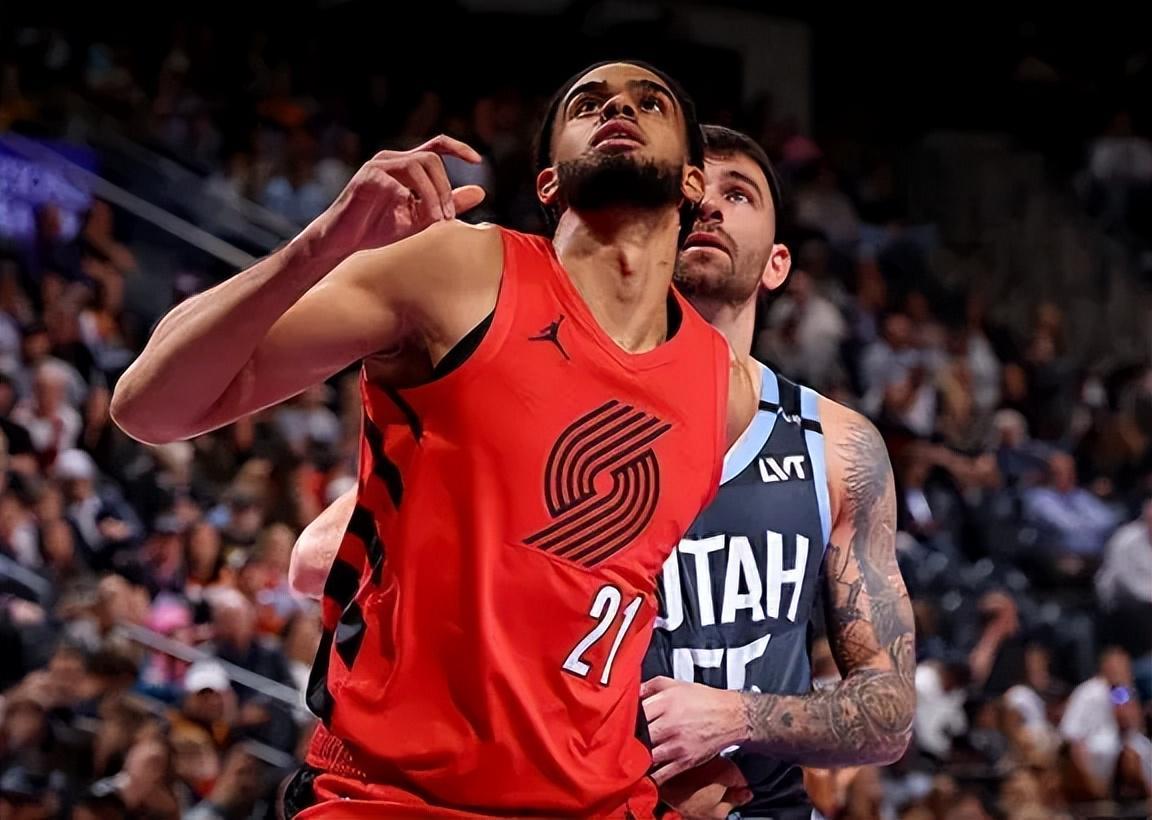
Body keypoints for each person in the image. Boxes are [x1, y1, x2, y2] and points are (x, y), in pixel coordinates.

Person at [112, 60, 758, 817]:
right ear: (548, 181)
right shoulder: (463, 269)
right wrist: (327, 241)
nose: (618, 107)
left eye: (650, 103)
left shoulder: (725, 391)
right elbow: (150, 406)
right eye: (588, 103)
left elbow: (604, 600)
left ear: (691, 181)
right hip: (390, 795)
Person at [293, 125, 916, 818]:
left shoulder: (835, 445)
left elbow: (889, 712)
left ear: (777, 265)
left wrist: (735, 717)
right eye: (696, 189)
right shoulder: (538, 397)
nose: (711, 205)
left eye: (739, 193)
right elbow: (316, 560)